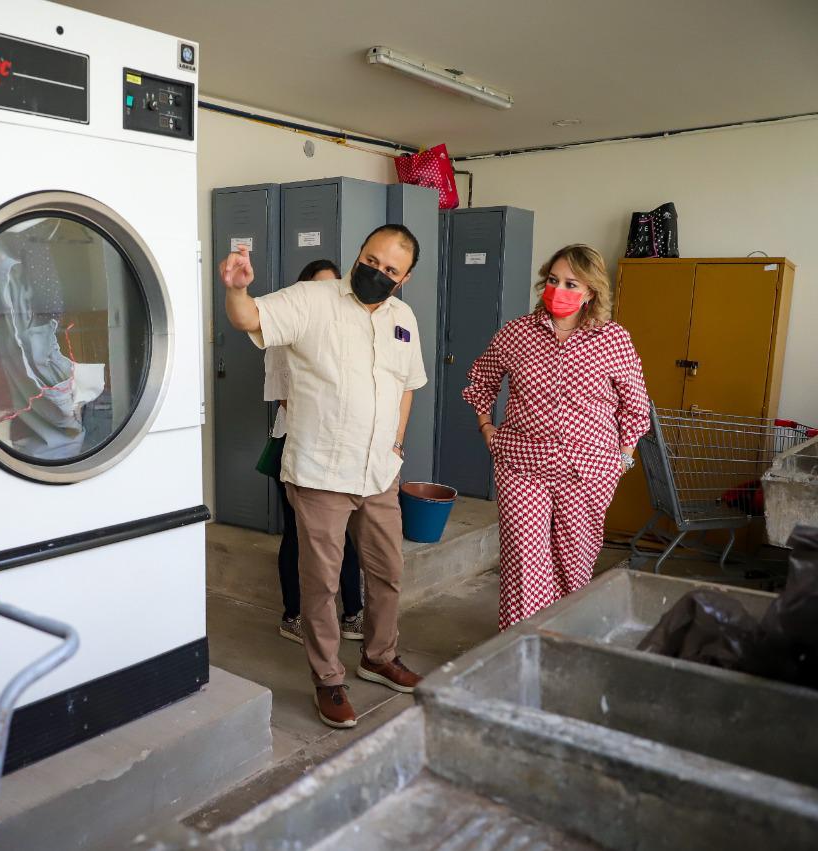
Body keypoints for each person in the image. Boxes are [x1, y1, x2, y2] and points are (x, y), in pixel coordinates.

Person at [220, 226, 427, 730]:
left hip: (379, 472)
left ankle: (378, 656)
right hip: (320, 472)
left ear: (404, 279)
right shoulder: (313, 299)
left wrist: (397, 443)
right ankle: (328, 678)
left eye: (390, 270)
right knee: (321, 583)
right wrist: (237, 289)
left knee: (388, 572)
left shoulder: (403, 319)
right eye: (372, 260)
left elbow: (407, 384)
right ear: (360, 253)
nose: (377, 273)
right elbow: (249, 317)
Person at [462, 244, 650, 630]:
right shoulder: (518, 333)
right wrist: (487, 429)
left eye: (570, 283)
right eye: (552, 280)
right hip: (522, 464)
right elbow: (481, 379)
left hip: (587, 471)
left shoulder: (613, 339)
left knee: (573, 565)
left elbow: (636, 406)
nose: (558, 289)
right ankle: (522, 645)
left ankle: (561, 641)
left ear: (590, 291)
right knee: (524, 563)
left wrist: (622, 458)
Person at [264, 259, 364, 646]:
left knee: (345, 532)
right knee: (297, 535)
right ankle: (293, 614)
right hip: (297, 443)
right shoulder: (285, 330)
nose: (330, 293)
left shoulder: (344, 327)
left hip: (340, 444)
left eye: (334, 285)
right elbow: (287, 399)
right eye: (320, 286)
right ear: (304, 289)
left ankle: (353, 612)